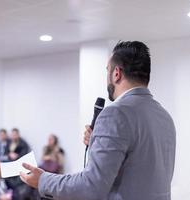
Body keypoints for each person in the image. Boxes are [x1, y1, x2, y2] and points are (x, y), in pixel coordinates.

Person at [20, 41, 176, 200]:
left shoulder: (115, 114)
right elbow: (139, 171)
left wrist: (43, 180)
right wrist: (97, 142)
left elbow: (91, 187)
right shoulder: (164, 116)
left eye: (107, 71)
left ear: (117, 73)